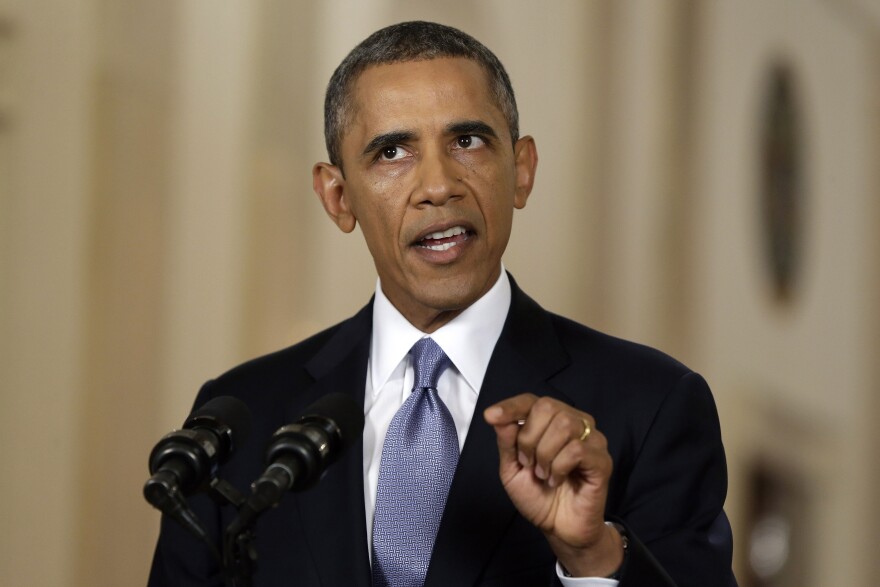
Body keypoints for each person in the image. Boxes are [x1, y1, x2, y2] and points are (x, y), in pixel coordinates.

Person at [148, 21, 736, 587]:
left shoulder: (652, 402)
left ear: (522, 170)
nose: (438, 185)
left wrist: (593, 556)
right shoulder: (244, 416)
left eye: (468, 140)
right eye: (392, 153)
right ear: (337, 196)